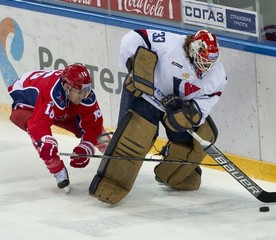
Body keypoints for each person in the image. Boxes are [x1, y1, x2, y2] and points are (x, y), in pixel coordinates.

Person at [89, 29, 228, 204]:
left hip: (176, 108)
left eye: (210, 61)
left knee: (193, 140)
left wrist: (187, 111)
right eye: (204, 60)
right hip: (145, 94)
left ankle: (177, 173)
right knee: (134, 137)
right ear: (193, 49)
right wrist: (134, 67)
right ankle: (111, 181)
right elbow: (133, 38)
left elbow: (205, 104)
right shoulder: (170, 44)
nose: (207, 66)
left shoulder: (218, 76)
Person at [8, 64, 107, 193]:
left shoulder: (84, 93)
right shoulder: (51, 94)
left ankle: (109, 148)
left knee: (90, 125)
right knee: (43, 143)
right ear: (67, 87)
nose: (84, 95)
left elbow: (94, 125)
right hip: (29, 105)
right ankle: (57, 169)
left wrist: (86, 146)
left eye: (87, 90)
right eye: (80, 92)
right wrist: (47, 142)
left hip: (61, 106)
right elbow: (39, 126)